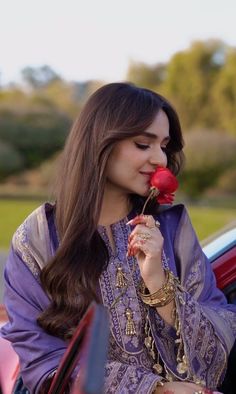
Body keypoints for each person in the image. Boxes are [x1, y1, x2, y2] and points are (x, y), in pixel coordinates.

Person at [1, 82, 235, 394]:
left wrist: (159, 284)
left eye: (164, 146)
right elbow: (42, 362)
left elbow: (217, 345)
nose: (161, 160)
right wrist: (155, 389)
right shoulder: (38, 240)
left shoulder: (170, 229)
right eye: (143, 144)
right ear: (100, 142)